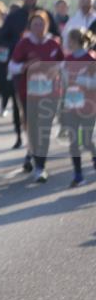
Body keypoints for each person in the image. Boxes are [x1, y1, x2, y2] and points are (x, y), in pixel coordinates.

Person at [8, 10, 65, 182]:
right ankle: (35, 156)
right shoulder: (24, 44)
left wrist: (55, 69)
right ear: (30, 27)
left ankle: (40, 166)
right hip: (29, 92)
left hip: (50, 92)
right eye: (35, 25)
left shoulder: (53, 44)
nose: (38, 27)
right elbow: (12, 66)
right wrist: (24, 66)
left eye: (41, 24)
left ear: (47, 25)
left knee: (45, 127)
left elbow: (63, 64)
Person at [60, 28, 96, 186]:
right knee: (73, 140)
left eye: (70, 39)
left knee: (87, 141)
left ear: (75, 41)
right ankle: (78, 174)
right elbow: (64, 85)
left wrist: (81, 80)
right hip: (72, 104)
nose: (67, 42)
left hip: (89, 105)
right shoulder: (67, 60)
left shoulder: (91, 60)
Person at [0, 0, 25, 144]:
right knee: (11, 98)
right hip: (4, 69)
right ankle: (19, 135)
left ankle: (23, 136)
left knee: (19, 105)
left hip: (22, 72)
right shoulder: (1, 32)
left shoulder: (27, 33)